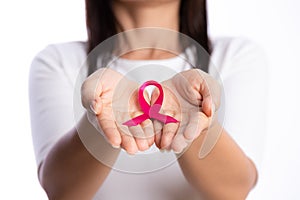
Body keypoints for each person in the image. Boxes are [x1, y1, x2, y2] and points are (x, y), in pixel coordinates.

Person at [29, 0, 268, 199]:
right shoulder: (59, 61)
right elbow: (60, 189)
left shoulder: (235, 56)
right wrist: (98, 121)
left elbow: (235, 189)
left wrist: (194, 122)